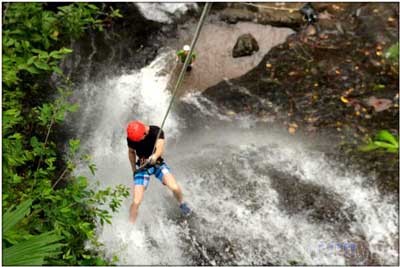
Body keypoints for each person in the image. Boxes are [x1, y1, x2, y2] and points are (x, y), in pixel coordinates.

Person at [126, 120, 191, 223]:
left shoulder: (156, 132)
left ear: (145, 133)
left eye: (139, 139)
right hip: (142, 167)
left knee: (174, 186)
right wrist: (134, 170)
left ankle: (182, 203)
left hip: (157, 163)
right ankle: (130, 225)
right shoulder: (132, 137)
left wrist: (155, 156)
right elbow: (131, 152)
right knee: (136, 201)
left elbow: (160, 148)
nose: (137, 142)